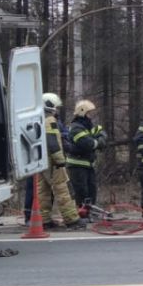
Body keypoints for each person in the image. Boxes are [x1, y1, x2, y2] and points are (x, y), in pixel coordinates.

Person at [38, 92, 87, 229]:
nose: (57, 110)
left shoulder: (39, 119)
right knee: (62, 189)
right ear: (50, 106)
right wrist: (60, 160)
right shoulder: (50, 121)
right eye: (56, 107)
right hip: (53, 162)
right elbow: (52, 142)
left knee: (43, 192)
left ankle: (44, 220)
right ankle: (72, 220)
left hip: (41, 162)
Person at [66, 99, 106, 210]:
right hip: (77, 165)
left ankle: (90, 211)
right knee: (82, 191)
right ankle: (82, 212)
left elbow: (101, 133)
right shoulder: (76, 128)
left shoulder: (87, 126)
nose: (91, 116)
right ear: (82, 112)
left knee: (91, 190)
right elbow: (88, 144)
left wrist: (100, 139)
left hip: (87, 164)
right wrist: (98, 142)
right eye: (89, 113)